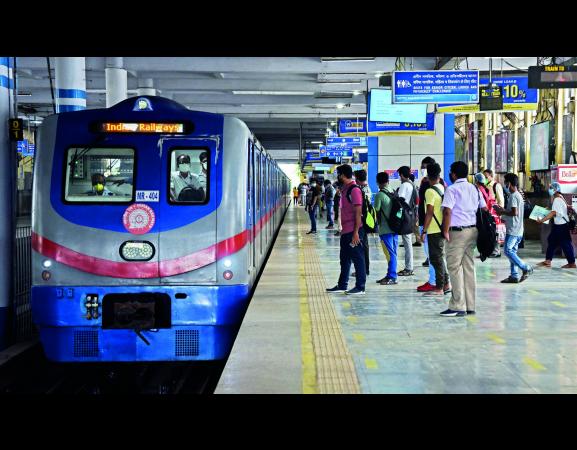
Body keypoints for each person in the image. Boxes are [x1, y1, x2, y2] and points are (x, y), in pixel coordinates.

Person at [439, 161, 487, 317]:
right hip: (472, 231)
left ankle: (457, 305)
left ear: (453, 174)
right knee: (468, 268)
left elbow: (447, 212)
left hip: (457, 233)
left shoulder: (452, 189)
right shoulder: (474, 188)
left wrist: (445, 231)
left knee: (454, 268)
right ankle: (470, 305)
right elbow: (484, 208)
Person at [326, 164, 366, 295]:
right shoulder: (345, 189)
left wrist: (356, 233)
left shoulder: (354, 190)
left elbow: (358, 212)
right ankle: (342, 285)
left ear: (342, 175)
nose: (337, 177)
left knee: (358, 258)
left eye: (338, 174)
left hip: (354, 231)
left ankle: (360, 287)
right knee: (344, 259)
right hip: (345, 231)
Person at [493, 173, 534, 283]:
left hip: (513, 230)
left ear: (509, 183)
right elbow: (512, 212)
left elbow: (514, 212)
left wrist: (501, 211)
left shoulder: (514, 196)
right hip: (518, 229)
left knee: (507, 250)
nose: (505, 184)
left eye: (505, 182)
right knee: (513, 252)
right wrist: (503, 211)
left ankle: (526, 267)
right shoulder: (517, 195)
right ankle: (514, 275)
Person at [419, 163, 451, 296]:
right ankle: (446, 283)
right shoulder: (442, 188)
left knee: (435, 259)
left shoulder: (430, 191)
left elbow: (429, 212)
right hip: (442, 227)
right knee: (439, 258)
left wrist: (424, 230)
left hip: (433, 229)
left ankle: (439, 287)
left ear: (427, 176)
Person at [536, 182, 576, 268]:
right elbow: (558, 210)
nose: (549, 190)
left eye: (551, 188)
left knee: (566, 244)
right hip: (558, 225)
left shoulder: (557, 199)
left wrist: (542, 220)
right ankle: (548, 260)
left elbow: (554, 213)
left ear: (555, 189)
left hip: (561, 226)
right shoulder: (560, 197)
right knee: (552, 241)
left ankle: (572, 263)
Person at [373, 171, 398, 285]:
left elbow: (376, 210)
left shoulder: (379, 195)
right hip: (395, 228)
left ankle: (392, 276)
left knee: (390, 253)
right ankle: (390, 274)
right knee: (393, 252)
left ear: (378, 182)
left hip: (385, 229)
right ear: (388, 181)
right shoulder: (393, 192)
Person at [474, 173, 501, 258]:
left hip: (482, 214)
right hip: (489, 214)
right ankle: (486, 251)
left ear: (476, 181)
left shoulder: (478, 189)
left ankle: (485, 251)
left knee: (483, 233)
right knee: (490, 232)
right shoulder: (487, 189)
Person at [396, 166, 416, 276]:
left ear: (402, 175)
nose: (399, 177)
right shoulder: (411, 184)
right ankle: (409, 267)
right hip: (410, 214)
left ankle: (409, 268)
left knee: (407, 242)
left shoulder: (404, 185)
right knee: (407, 241)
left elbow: (401, 200)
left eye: (400, 175)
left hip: (404, 215)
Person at [354, 169, 371, 276]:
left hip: (362, 220)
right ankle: (365, 269)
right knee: (364, 245)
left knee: (360, 246)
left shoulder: (361, 190)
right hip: (365, 219)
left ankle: (362, 270)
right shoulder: (367, 188)